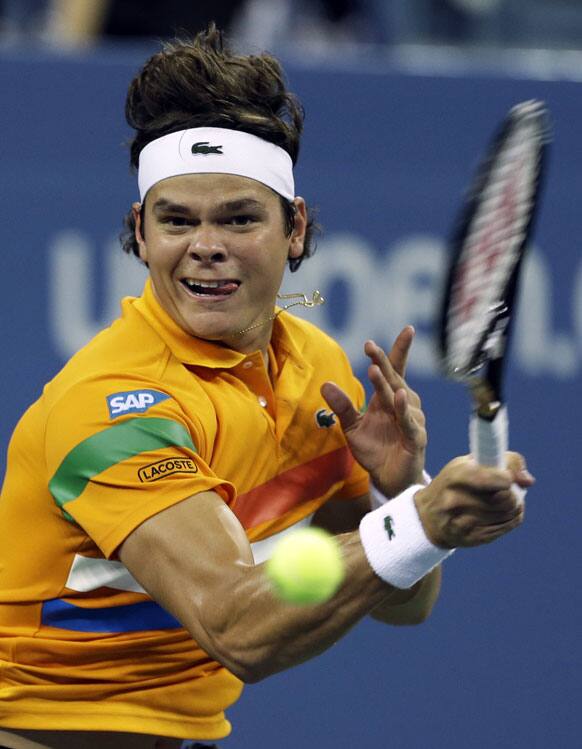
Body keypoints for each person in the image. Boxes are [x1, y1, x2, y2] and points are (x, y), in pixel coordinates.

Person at [0, 24, 533, 749]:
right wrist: (427, 519)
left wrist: (399, 489)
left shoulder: (315, 371)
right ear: (141, 232)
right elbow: (236, 627)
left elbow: (404, 600)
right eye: (176, 220)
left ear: (296, 228)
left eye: (240, 218)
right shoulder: (111, 405)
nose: (206, 244)